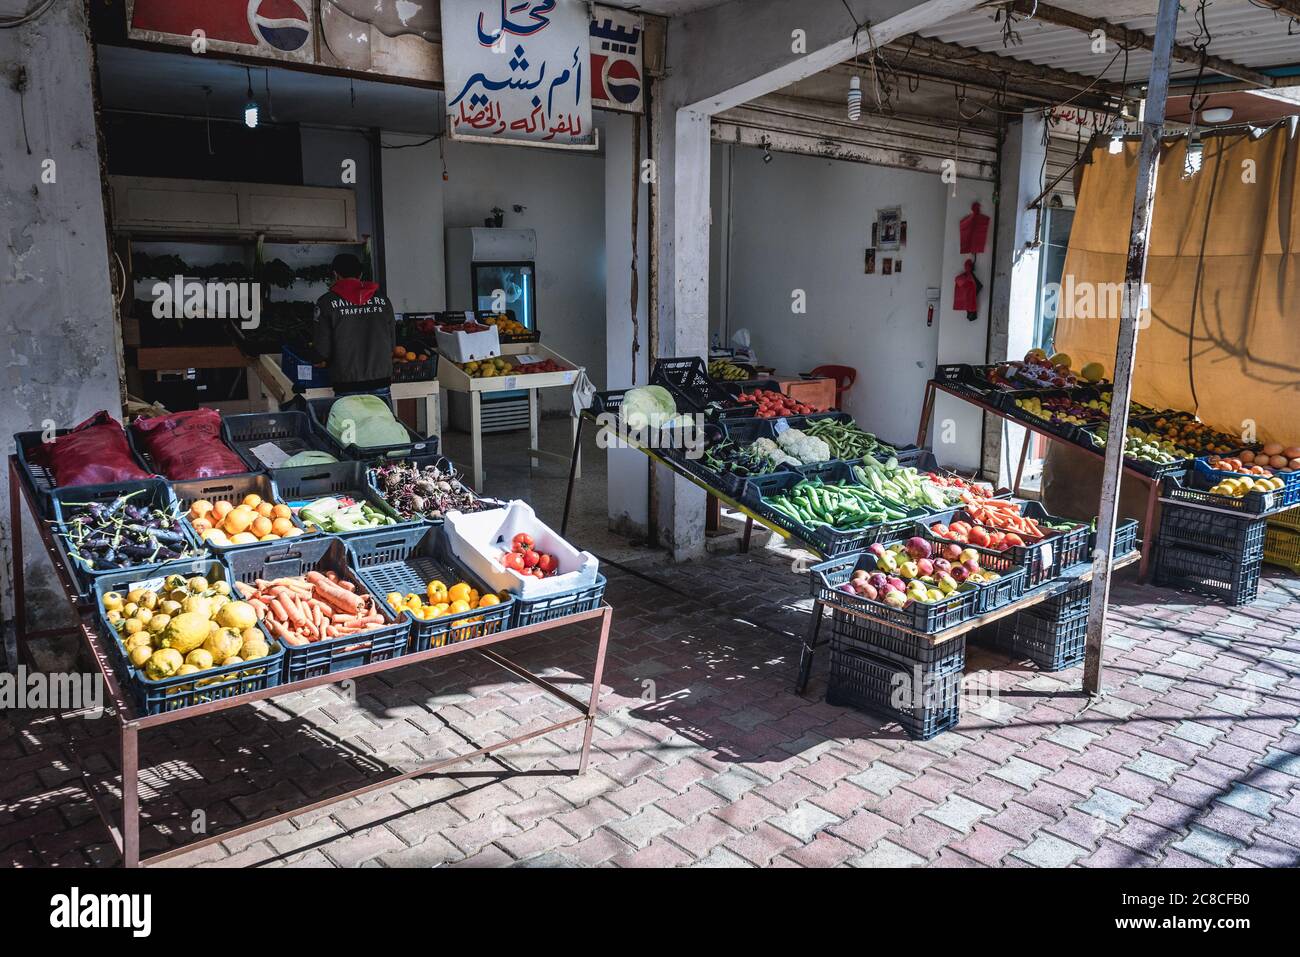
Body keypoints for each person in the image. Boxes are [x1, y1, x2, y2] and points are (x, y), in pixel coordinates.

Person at [311, 253, 397, 401]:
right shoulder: (383, 301)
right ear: (361, 274)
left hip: (347, 383)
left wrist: (317, 358)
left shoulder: (326, 303)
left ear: (335, 275)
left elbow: (321, 350)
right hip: (380, 381)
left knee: (350, 424)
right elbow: (391, 344)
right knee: (382, 424)